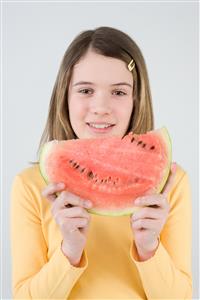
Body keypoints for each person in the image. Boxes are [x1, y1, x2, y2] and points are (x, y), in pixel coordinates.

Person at [10, 26, 192, 299]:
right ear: (65, 98)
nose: (101, 107)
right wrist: (69, 252)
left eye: (118, 92)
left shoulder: (170, 185)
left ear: (135, 100)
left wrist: (149, 248)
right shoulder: (30, 185)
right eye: (85, 90)